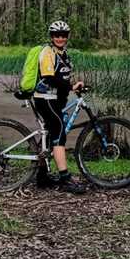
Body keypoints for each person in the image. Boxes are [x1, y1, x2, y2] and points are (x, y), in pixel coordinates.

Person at [33, 20, 86, 193]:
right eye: (57, 35)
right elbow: (49, 78)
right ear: (51, 36)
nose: (60, 38)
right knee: (59, 132)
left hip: (55, 99)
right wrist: (70, 87)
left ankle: (42, 176)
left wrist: (74, 85)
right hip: (45, 98)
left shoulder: (63, 53)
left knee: (49, 135)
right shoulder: (47, 52)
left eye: (63, 35)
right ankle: (65, 179)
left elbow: (62, 78)